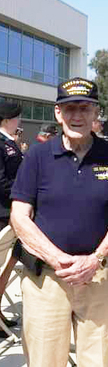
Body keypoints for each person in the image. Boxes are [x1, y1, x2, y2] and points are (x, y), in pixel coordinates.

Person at [10, 77, 108, 367]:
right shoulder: (38, 156)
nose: (77, 116)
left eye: (84, 108)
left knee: (97, 360)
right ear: (58, 113)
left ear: (95, 113)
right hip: (47, 279)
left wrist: (95, 258)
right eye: (69, 109)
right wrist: (59, 260)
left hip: (99, 274)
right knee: (44, 361)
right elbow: (20, 216)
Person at [0, 102, 24, 334]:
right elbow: (2, 182)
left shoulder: (9, 142)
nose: (19, 122)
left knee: (6, 267)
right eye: (16, 118)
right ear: (7, 119)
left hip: (11, 211)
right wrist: (23, 194)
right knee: (1, 267)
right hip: (4, 214)